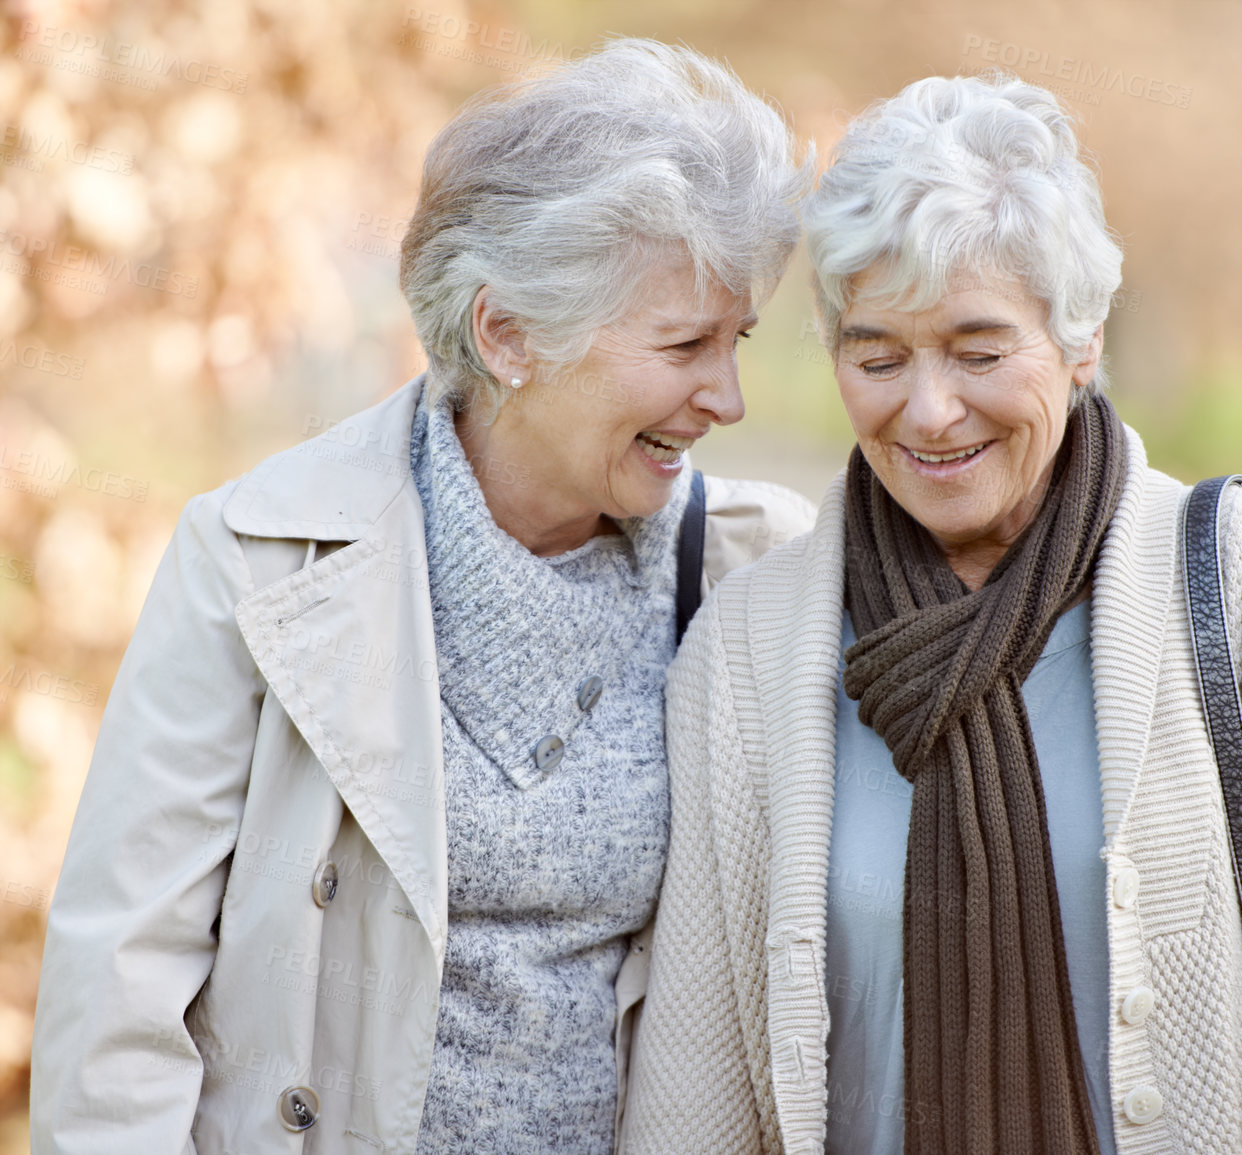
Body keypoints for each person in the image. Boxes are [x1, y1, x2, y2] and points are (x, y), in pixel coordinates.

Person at [621, 73, 1242, 1153]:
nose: (928, 411)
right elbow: (696, 1092)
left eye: (978, 352)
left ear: (1080, 341)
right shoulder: (748, 648)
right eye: (877, 357)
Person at [31, 38, 813, 1155]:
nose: (728, 397)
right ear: (506, 336)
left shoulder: (752, 570)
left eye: (735, 342)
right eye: (684, 344)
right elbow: (121, 997)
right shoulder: (259, 556)